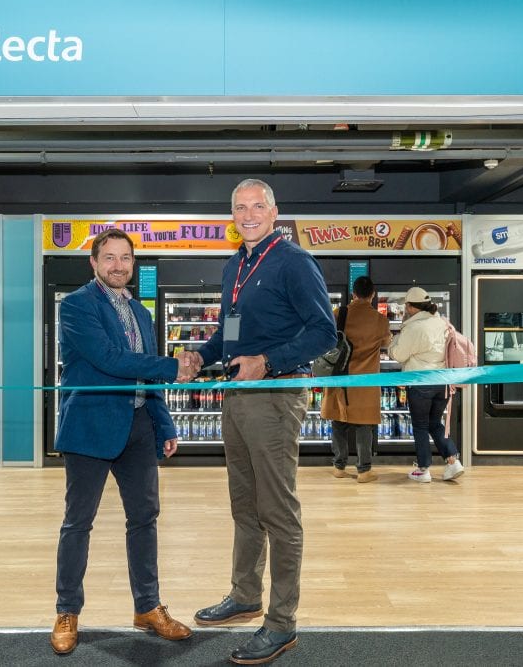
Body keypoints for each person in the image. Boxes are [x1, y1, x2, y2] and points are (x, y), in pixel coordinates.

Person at [190, 179, 337, 665]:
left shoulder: (294, 262)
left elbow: (325, 332)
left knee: (277, 510)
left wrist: (268, 362)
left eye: (257, 206)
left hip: (275, 396)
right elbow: (230, 334)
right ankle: (245, 594)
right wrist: (200, 356)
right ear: (232, 215)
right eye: (240, 207)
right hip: (238, 396)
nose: (248, 214)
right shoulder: (236, 265)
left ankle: (281, 622)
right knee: (244, 504)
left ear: (275, 213)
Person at [50, 228, 197, 655]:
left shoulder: (140, 312)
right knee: (78, 522)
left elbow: (146, 377)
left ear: (134, 263)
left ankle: (147, 607)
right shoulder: (77, 305)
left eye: (125, 258)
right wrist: (173, 366)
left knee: (145, 518)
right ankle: (67, 611)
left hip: (138, 427)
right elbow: (109, 359)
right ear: (94, 263)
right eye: (110, 258)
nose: (118, 266)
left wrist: (164, 424)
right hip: (89, 428)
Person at [387, 286, 464, 483]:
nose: (405, 309)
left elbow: (399, 355)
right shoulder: (441, 322)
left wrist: (392, 343)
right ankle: (453, 461)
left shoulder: (414, 328)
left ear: (412, 307)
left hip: (421, 382)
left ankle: (423, 469)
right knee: (434, 423)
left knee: (420, 425)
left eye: (406, 306)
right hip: (442, 382)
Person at [320, 276, 392, 483]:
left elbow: (327, 340)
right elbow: (386, 342)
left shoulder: (339, 313)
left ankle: (339, 466)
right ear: (373, 295)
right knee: (364, 425)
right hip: (365, 381)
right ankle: (364, 470)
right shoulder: (380, 320)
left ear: (353, 293)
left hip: (340, 378)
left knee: (339, 421)